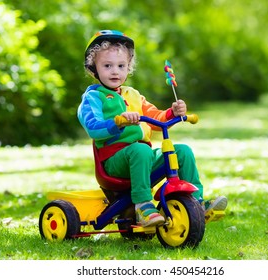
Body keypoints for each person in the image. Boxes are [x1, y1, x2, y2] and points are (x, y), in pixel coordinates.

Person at [78, 30, 227, 227]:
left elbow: (155, 116)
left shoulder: (133, 95)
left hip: (142, 156)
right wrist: (117, 121)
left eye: (121, 66)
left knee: (182, 151)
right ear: (93, 68)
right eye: (107, 66)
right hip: (114, 161)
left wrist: (173, 112)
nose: (115, 71)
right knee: (141, 150)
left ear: (128, 67)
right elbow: (93, 127)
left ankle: (197, 202)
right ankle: (143, 205)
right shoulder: (93, 97)